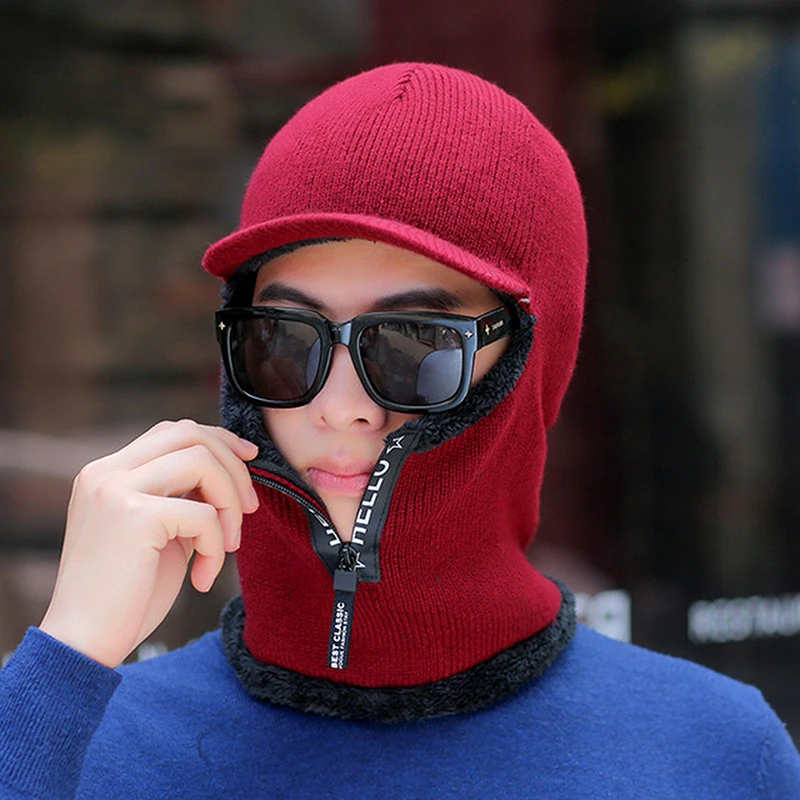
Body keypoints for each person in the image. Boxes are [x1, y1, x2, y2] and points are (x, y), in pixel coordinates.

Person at [1, 62, 798, 799]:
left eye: (415, 346)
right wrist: (62, 664)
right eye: (284, 340)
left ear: (533, 356)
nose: (338, 405)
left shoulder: (716, 755)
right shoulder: (70, 737)